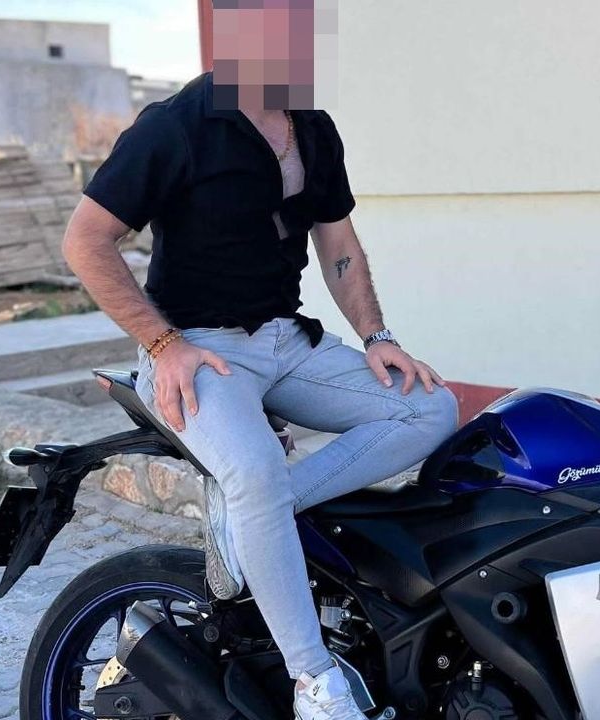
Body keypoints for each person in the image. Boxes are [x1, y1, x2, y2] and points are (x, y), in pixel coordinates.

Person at [61, 5, 458, 719]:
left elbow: (339, 246)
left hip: (288, 341)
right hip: (197, 349)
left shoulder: (313, 127)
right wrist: (163, 344)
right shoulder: (176, 125)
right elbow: (86, 240)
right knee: (254, 471)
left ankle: (253, 517)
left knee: (430, 406)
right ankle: (316, 683)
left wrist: (377, 337)